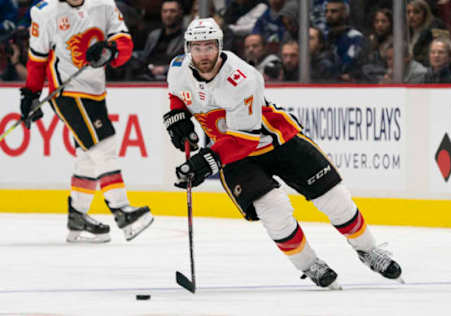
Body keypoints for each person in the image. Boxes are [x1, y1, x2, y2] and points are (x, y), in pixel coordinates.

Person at [163, 18, 403, 289]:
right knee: (273, 209)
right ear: (187, 49)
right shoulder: (177, 69)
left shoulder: (243, 78)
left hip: (276, 140)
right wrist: (176, 116)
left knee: (335, 199)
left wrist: (206, 161)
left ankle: (368, 250)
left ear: (219, 46)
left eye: (209, 46)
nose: (203, 54)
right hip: (233, 156)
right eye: (196, 47)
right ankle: (309, 264)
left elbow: (245, 138)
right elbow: (178, 96)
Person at [20, 0, 153, 243]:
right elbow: (37, 58)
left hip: (95, 91)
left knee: (87, 153)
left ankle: (78, 218)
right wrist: (30, 94)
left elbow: (124, 40)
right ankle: (121, 209)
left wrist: (111, 49)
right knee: (103, 145)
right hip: (67, 91)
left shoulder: (103, 4)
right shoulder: (45, 12)